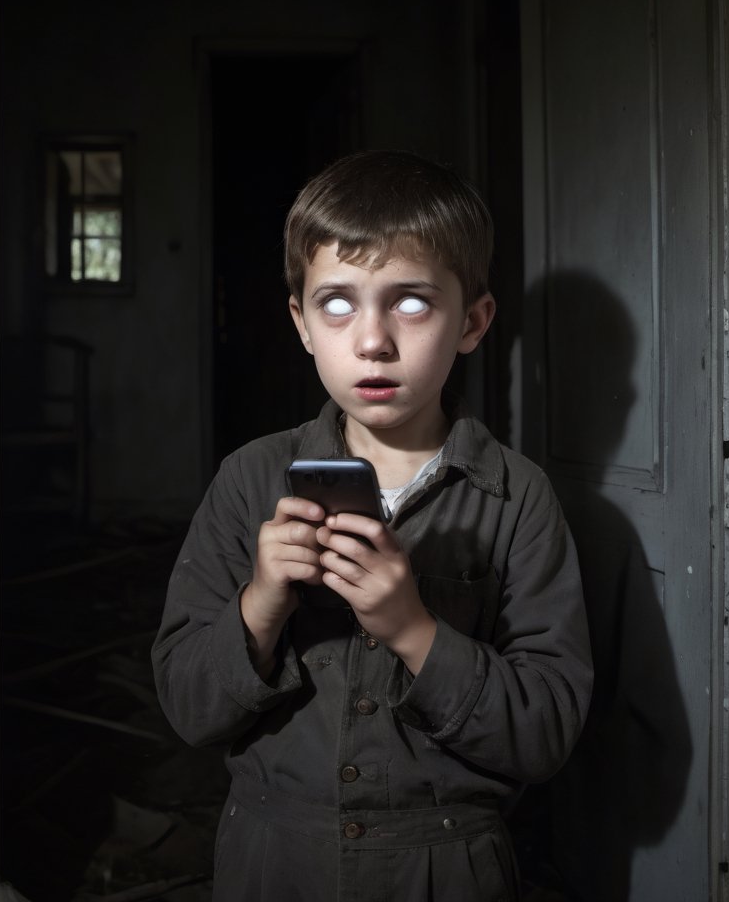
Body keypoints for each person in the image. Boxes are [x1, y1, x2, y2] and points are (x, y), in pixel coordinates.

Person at [152, 150, 592, 902]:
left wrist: (412, 628)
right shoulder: (249, 481)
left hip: (444, 867)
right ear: (301, 322)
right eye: (338, 303)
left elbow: (545, 733)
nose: (373, 340)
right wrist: (261, 602)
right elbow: (190, 709)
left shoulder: (520, 497)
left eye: (412, 302)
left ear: (473, 322)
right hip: (272, 860)